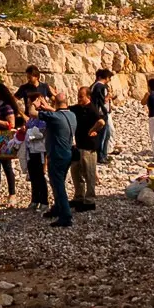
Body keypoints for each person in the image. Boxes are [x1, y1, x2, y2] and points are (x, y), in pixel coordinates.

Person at [39, 94, 79, 227]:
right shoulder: (72, 115)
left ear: (55, 103)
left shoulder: (55, 117)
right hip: (67, 154)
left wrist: (35, 103)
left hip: (57, 155)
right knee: (58, 182)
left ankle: (66, 216)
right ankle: (57, 207)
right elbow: (59, 114)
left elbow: (33, 113)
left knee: (58, 185)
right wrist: (48, 107)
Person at [67, 85, 104, 212]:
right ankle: (79, 197)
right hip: (78, 146)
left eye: (81, 97)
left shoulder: (92, 109)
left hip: (89, 148)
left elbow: (101, 122)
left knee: (89, 174)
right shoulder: (77, 108)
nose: (79, 99)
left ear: (88, 97)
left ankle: (89, 200)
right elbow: (63, 109)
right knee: (75, 171)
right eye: (78, 96)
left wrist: (93, 130)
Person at [0, 82, 20, 204]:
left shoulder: (7, 107)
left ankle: (12, 194)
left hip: (4, 138)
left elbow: (11, 124)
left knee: (7, 167)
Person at [23, 96, 51, 211]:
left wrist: (29, 133)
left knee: (40, 176)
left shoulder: (42, 117)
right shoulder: (32, 118)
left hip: (39, 150)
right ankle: (35, 200)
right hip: (30, 150)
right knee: (32, 175)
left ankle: (44, 201)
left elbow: (42, 133)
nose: (28, 105)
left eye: (30, 103)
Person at [90, 68, 115, 165]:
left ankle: (103, 155)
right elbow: (102, 101)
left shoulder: (95, 86)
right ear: (107, 77)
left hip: (99, 113)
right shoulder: (100, 87)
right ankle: (101, 156)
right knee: (103, 135)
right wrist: (108, 97)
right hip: (101, 114)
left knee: (106, 134)